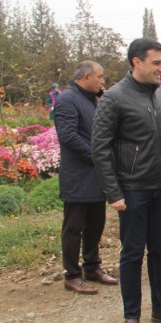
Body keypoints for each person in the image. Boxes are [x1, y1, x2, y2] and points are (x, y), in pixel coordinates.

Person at [91, 38, 161, 323]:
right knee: (133, 253)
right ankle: (131, 316)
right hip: (133, 190)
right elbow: (100, 148)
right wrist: (114, 192)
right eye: (156, 63)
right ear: (137, 62)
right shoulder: (115, 98)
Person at [55, 61, 117, 295]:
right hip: (78, 176)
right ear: (86, 76)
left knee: (96, 223)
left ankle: (92, 267)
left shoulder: (93, 98)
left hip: (96, 175)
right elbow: (68, 136)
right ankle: (72, 275)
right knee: (74, 227)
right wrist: (97, 156)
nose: (103, 81)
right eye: (100, 77)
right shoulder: (67, 99)